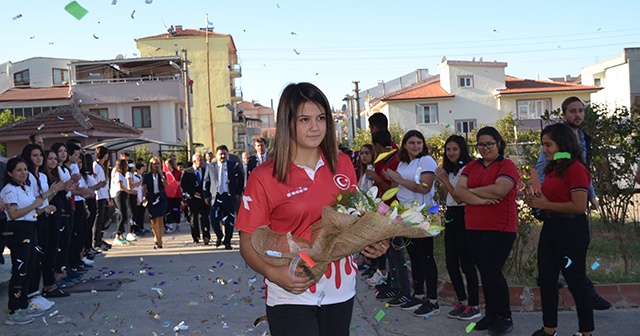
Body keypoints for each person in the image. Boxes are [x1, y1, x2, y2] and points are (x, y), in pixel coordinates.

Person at [236, 82, 388, 336]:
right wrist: (274, 274)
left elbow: (356, 220)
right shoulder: (264, 176)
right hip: (291, 293)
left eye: (321, 118)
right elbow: (247, 242)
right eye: (305, 119)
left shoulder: (341, 163)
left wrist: (375, 241)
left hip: (341, 291)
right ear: (287, 122)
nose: (315, 127)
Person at [534, 96, 611, 310]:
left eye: (581, 111)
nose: (577, 115)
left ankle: (582, 297)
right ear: (565, 114)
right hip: (556, 204)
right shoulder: (557, 139)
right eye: (572, 111)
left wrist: (591, 194)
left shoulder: (584, 138)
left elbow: (582, 169)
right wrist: (543, 201)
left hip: (575, 204)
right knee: (559, 260)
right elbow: (546, 168)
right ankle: (582, 294)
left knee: (573, 260)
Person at [526, 123, 594, 336]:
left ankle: (586, 332)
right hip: (552, 227)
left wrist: (546, 205)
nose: (544, 149)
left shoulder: (576, 169)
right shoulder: (553, 167)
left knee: (576, 281)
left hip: (572, 229)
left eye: (548, 144)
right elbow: (552, 198)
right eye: (543, 145)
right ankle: (549, 329)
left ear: (562, 144)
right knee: (546, 280)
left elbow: (579, 205)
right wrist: (537, 201)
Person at [454, 126, 519, 336]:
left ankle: (504, 316)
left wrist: (470, 192)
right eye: (481, 144)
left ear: (498, 144)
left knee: (492, 271)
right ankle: (491, 313)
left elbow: (500, 189)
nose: (485, 148)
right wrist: (482, 200)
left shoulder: (507, 165)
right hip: (473, 226)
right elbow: (458, 194)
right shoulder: (471, 167)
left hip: (500, 226)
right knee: (486, 272)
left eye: (490, 144)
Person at [383, 130, 440, 316]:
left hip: (423, 215)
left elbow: (425, 188)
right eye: (412, 143)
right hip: (406, 215)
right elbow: (397, 189)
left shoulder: (427, 161)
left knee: (427, 257)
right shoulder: (402, 163)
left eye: (419, 142)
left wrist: (400, 180)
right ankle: (418, 295)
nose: (416, 146)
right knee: (414, 256)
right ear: (405, 145)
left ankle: (432, 300)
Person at [2, 157, 56, 325]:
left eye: (25, 169)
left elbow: (31, 213)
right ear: (10, 173)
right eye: (19, 170)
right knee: (20, 270)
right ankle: (13, 309)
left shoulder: (25, 188)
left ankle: (23, 304)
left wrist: (44, 207)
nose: (23, 173)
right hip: (18, 231)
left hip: (30, 228)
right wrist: (36, 206)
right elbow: (14, 214)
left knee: (30, 268)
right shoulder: (9, 190)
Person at [435, 135, 480, 320]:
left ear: (462, 150)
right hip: (451, 214)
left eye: (455, 149)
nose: (451, 153)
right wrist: (444, 180)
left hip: (464, 215)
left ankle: (474, 305)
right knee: (451, 262)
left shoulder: (466, 169)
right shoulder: (450, 170)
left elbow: (460, 197)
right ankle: (461, 301)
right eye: (448, 149)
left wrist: (444, 180)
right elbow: (449, 197)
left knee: (466, 262)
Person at [21, 144, 63, 312]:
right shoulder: (28, 176)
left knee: (45, 252)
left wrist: (55, 192)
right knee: (35, 258)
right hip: (34, 217)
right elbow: (32, 200)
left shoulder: (43, 176)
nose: (39, 158)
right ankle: (31, 294)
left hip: (45, 215)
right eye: (34, 155)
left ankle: (38, 291)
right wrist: (48, 195)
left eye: (40, 155)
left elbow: (46, 197)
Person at [203, 145, 244, 249]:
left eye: (224, 154)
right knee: (214, 219)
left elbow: (241, 178)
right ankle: (219, 235)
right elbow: (206, 181)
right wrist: (206, 195)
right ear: (216, 155)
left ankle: (227, 241)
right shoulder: (211, 166)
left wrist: (238, 192)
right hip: (215, 196)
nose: (222, 156)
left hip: (228, 196)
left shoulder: (233, 166)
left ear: (227, 154)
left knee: (229, 220)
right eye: (220, 154)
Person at [181, 153, 211, 244]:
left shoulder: (205, 170)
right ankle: (196, 237)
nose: (202, 162)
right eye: (200, 160)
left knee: (205, 217)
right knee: (194, 218)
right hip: (193, 199)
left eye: (203, 160)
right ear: (194, 161)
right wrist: (193, 192)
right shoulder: (187, 172)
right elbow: (184, 185)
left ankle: (206, 236)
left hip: (203, 198)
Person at [142, 157, 168, 249]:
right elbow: (144, 188)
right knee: (153, 219)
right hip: (151, 198)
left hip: (161, 197)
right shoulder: (147, 175)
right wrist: (144, 197)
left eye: (158, 163)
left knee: (160, 217)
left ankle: (160, 240)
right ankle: (156, 236)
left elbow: (166, 185)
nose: (156, 165)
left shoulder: (163, 174)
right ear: (151, 165)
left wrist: (161, 175)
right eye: (154, 164)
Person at [110, 159, 137, 245]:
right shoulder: (118, 174)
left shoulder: (122, 175)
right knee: (122, 215)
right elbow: (120, 186)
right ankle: (117, 234)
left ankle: (121, 234)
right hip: (120, 194)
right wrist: (129, 191)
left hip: (124, 194)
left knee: (124, 214)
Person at [92, 146, 111, 251]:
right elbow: (94, 178)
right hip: (98, 195)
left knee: (103, 219)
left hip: (103, 195)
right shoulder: (96, 165)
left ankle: (100, 237)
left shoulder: (102, 166)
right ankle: (96, 240)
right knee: (98, 219)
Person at [164, 158, 182, 233]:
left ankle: (177, 223)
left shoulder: (178, 172)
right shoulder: (165, 173)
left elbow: (180, 181)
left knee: (176, 209)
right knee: (169, 209)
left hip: (177, 194)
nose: (166, 166)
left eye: (167, 164)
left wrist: (178, 183)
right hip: (168, 194)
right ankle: (170, 224)